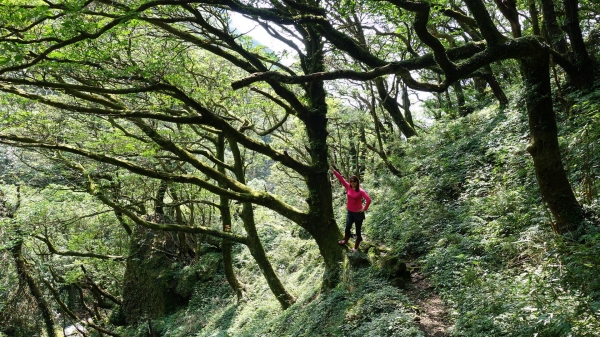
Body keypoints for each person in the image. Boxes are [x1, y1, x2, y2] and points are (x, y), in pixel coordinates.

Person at [330, 166, 372, 252]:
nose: (352, 183)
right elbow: (341, 179)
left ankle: (356, 247)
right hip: (350, 212)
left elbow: (368, 200)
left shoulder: (361, 191)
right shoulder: (348, 187)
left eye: (354, 181)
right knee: (347, 228)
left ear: (357, 182)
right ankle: (345, 240)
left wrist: (364, 209)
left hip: (358, 214)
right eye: (351, 181)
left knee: (358, 231)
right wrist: (333, 171)